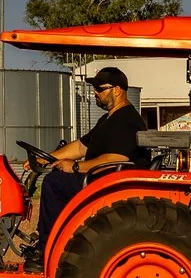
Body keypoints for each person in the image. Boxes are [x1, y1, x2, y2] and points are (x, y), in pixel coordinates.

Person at [34, 66, 147, 244]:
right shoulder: (108, 119)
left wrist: (76, 166)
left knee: (53, 184)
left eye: (100, 89)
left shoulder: (127, 120)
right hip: (100, 179)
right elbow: (80, 147)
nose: (95, 92)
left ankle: (49, 245)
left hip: (108, 183)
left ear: (117, 90)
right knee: (57, 176)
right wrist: (46, 157)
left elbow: (117, 158)